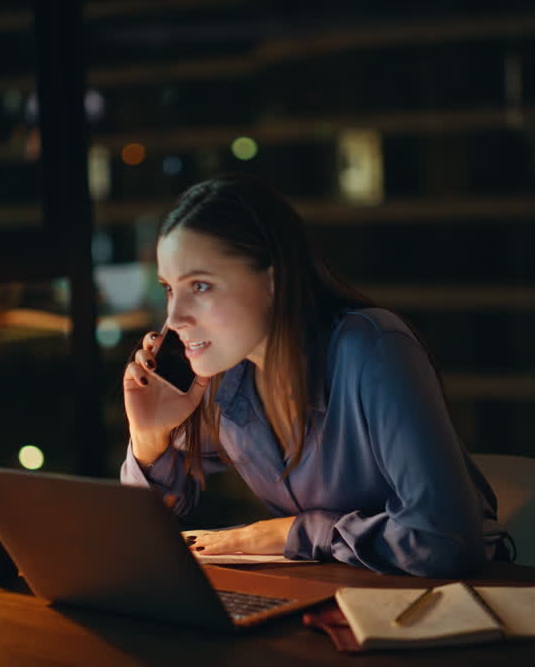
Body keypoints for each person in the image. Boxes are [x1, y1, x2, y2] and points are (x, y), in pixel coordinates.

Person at [120, 175, 510, 577]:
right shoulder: (228, 377)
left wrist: (290, 533)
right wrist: (149, 436)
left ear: (272, 281)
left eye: (200, 286)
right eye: (169, 288)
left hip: (437, 610)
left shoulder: (371, 348)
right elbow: (144, 535)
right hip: (329, 600)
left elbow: (445, 541)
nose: (174, 318)